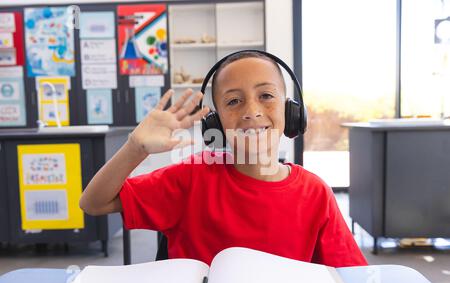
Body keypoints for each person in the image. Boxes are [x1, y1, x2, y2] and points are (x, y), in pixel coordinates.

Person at [79, 51, 367, 267]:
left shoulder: (314, 193)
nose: (251, 111)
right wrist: (135, 147)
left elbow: (350, 278)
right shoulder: (191, 178)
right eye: (233, 101)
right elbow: (93, 202)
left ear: (290, 111)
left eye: (266, 95)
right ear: (214, 124)